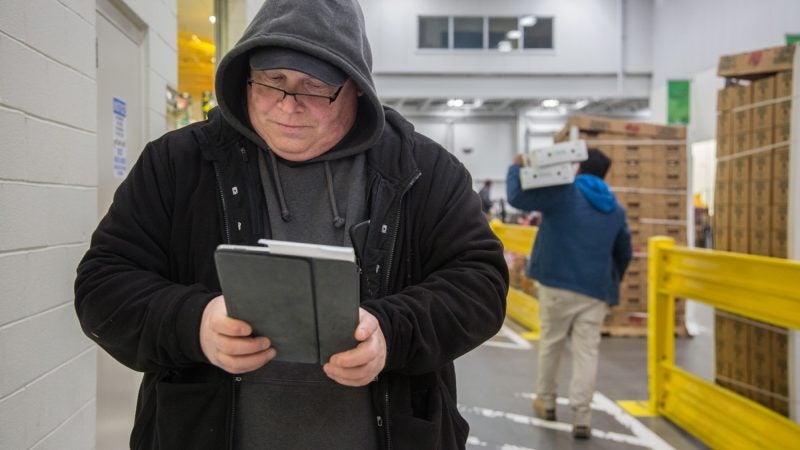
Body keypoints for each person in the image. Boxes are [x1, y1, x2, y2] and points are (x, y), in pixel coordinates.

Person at [74, 1, 508, 449]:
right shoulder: (178, 164)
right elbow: (103, 284)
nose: (287, 106)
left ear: (355, 88)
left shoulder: (422, 170)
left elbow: (480, 284)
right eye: (272, 81)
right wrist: (195, 324)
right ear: (246, 74)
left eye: (314, 88)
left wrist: (390, 333)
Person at [506, 149, 632, 439]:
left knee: (551, 344)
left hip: (556, 285)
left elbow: (517, 198)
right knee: (587, 352)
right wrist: (611, 281)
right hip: (595, 291)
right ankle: (582, 418)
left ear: (577, 168)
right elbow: (623, 252)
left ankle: (547, 402)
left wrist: (516, 168)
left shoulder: (565, 194)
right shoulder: (615, 209)